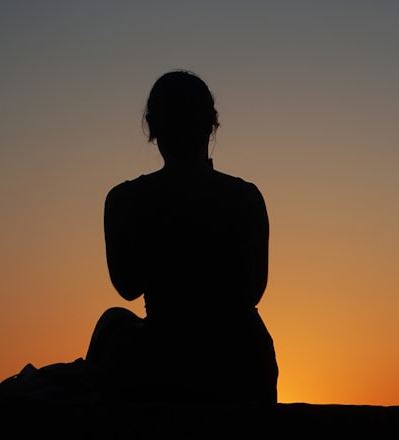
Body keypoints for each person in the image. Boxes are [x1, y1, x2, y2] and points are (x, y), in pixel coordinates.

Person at [86, 70, 278, 403]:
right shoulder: (246, 196)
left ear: (153, 128)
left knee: (112, 323)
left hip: (167, 362)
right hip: (245, 364)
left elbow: (126, 285)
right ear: (210, 126)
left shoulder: (125, 199)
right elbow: (254, 291)